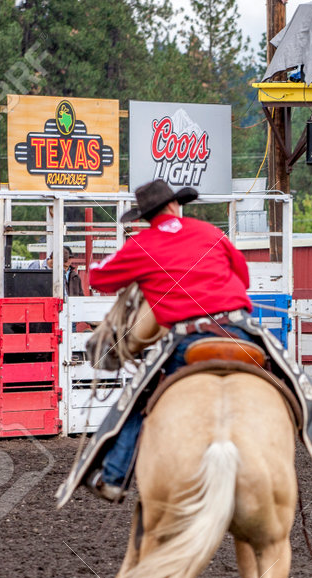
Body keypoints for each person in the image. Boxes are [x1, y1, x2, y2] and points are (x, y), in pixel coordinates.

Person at [82, 179, 257, 501]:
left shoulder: (141, 244)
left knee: (140, 397)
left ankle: (114, 476)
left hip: (188, 338)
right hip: (239, 328)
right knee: (289, 378)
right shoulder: (209, 231)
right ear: (175, 205)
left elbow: (97, 276)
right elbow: (242, 276)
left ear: (146, 216)